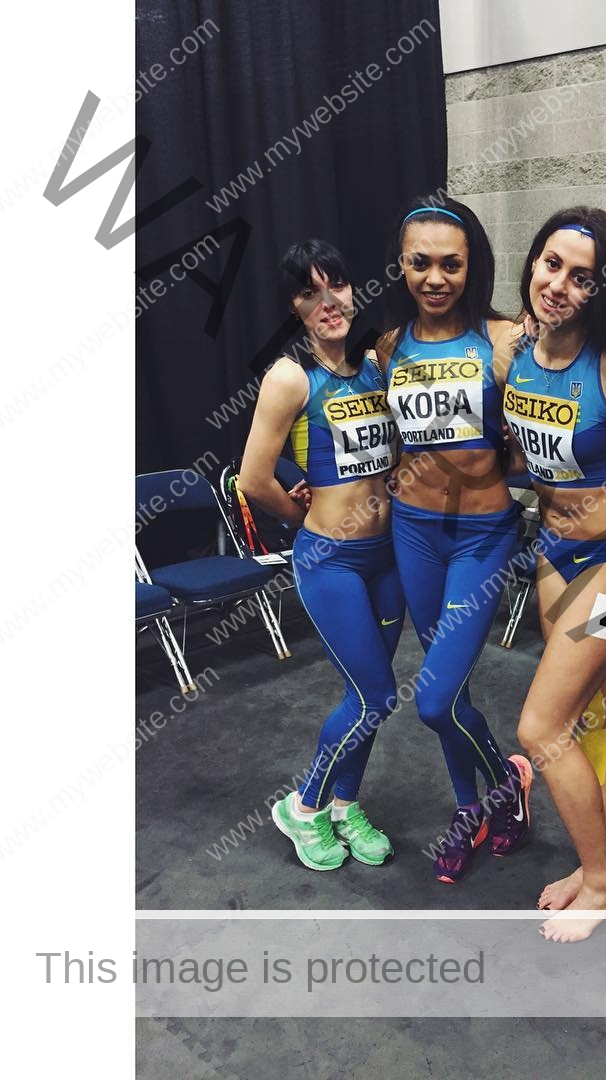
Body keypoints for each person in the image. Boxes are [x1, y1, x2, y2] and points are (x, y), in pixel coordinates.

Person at [504, 207, 606, 943]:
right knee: (592, 716)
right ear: (532, 264)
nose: (559, 285)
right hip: (554, 556)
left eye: (580, 276)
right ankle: (591, 863)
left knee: (541, 725)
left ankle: (603, 879)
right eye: (550, 265)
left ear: (603, 288)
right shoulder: (516, 351)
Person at [375, 197, 532, 884]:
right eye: (421, 263)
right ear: (401, 264)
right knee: (455, 687)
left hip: (482, 535)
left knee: (433, 698)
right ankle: (473, 807)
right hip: (413, 530)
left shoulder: (504, 339)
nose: (435, 278)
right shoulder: (388, 346)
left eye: (451, 264)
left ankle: (503, 783)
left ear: (472, 266)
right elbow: (384, 442)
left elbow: (540, 441)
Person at [239, 238, 402, 871]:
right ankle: (304, 806)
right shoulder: (290, 376)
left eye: (335, 284)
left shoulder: (376, 362)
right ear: (295, 307)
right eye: (310, 292)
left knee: (368, 694)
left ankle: (344, 804)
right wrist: (302, 514)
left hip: (386, 558)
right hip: (329, 561)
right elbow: (253, 478)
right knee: (376, 697)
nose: (328, 301)